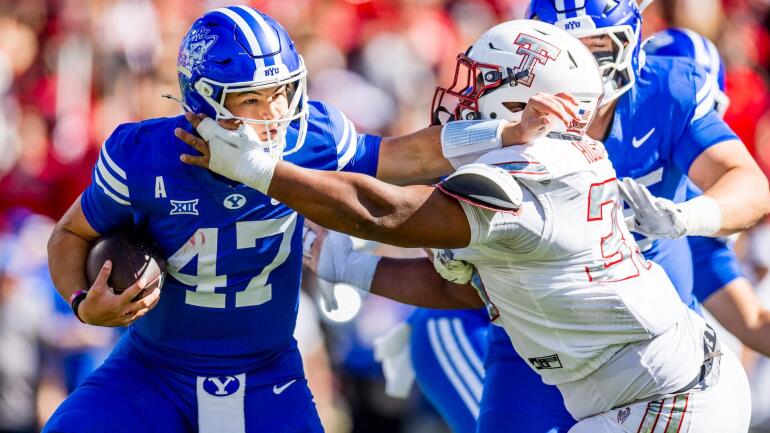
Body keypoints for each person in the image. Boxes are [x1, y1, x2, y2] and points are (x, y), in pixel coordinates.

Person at [179, 19, 754, 433]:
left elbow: (387, 212)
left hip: (669, 397)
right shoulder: (540, 159)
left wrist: (261, 172)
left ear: (523, 98)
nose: (465, 93)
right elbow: (455, 288)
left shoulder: (530, 178)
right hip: (638, 389)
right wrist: (343, 262)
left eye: (484, 81)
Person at [43, 6, 575, 433]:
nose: (276, 113)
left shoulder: (308, 138)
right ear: (201, 102)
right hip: (153, 371)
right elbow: (68, 235)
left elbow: (407, 157)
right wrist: (83, 306)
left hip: (263, 375)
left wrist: (504, 134)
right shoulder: (143, 155)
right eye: (252, 99)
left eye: (281, 93)